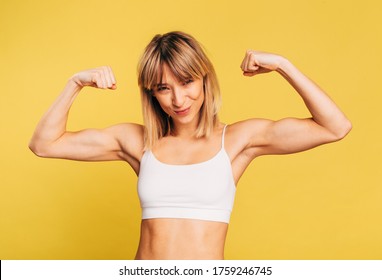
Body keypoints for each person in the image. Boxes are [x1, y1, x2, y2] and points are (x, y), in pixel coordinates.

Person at [29, 31, 352, 260]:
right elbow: (44, 144)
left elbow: (335, 126)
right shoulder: (139, 141)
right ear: (151, 94)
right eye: (163, 88)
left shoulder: (238, 140)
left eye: (186, 82)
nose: (179, 99)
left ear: (204, 79)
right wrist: (75, 84)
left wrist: (283, 64)